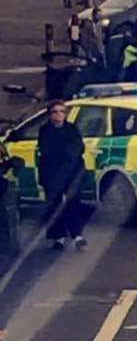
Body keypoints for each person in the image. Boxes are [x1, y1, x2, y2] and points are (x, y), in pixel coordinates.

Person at [36, 100, 87, 251]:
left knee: (73, 203)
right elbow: (45, 151)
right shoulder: (45, 130)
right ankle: (59, 237)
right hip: (52, 174)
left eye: (62, 111)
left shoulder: (72, 129)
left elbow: (78, 148)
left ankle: (77, 235)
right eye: (55, 112)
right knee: (54, 205)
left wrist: (65, 156)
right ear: (50, 115)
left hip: (71, 173)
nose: (59, 114)